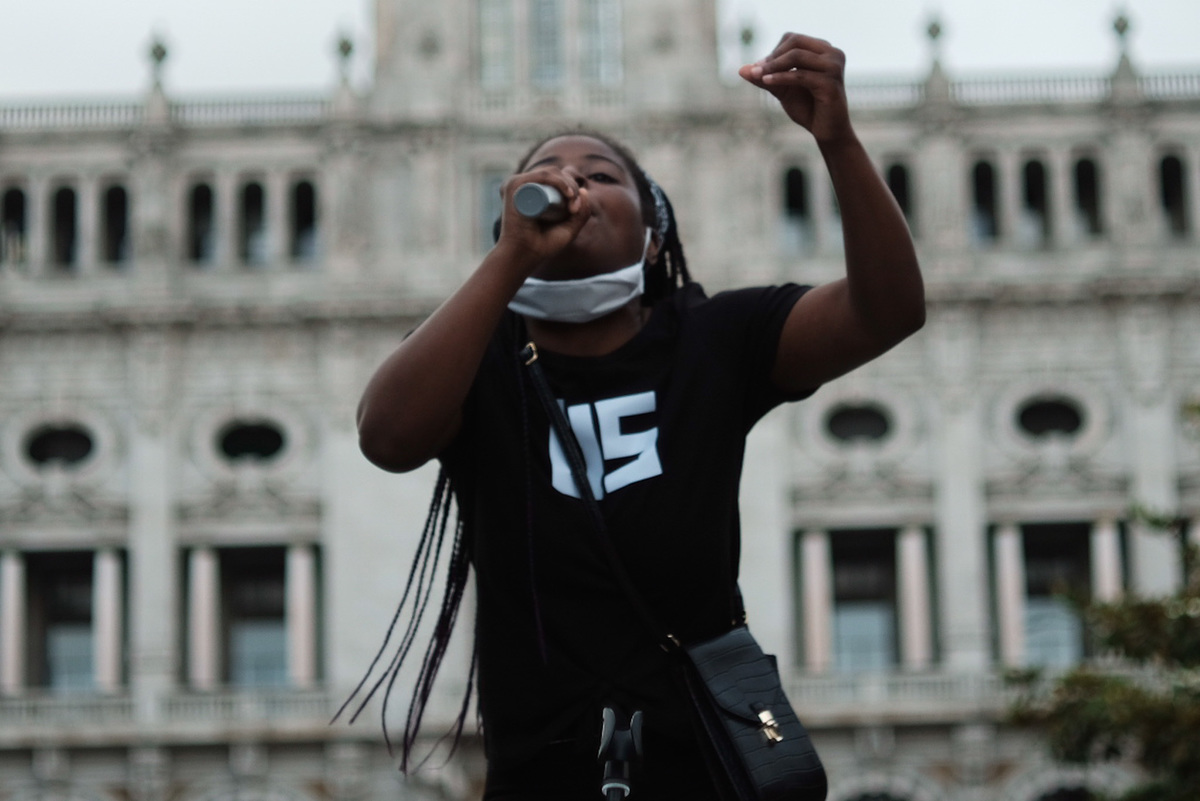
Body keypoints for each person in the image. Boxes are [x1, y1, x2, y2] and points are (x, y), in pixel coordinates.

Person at [350, 32, 924, 801]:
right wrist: (510, 260)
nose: (572, 184)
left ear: (654, 236)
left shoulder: (715, 338)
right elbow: (386, 436)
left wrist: (838, 140)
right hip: (540, 770)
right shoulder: (475, 367)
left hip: (702, 760)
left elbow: (886, 311)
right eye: (544, 176)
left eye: (601, 174)